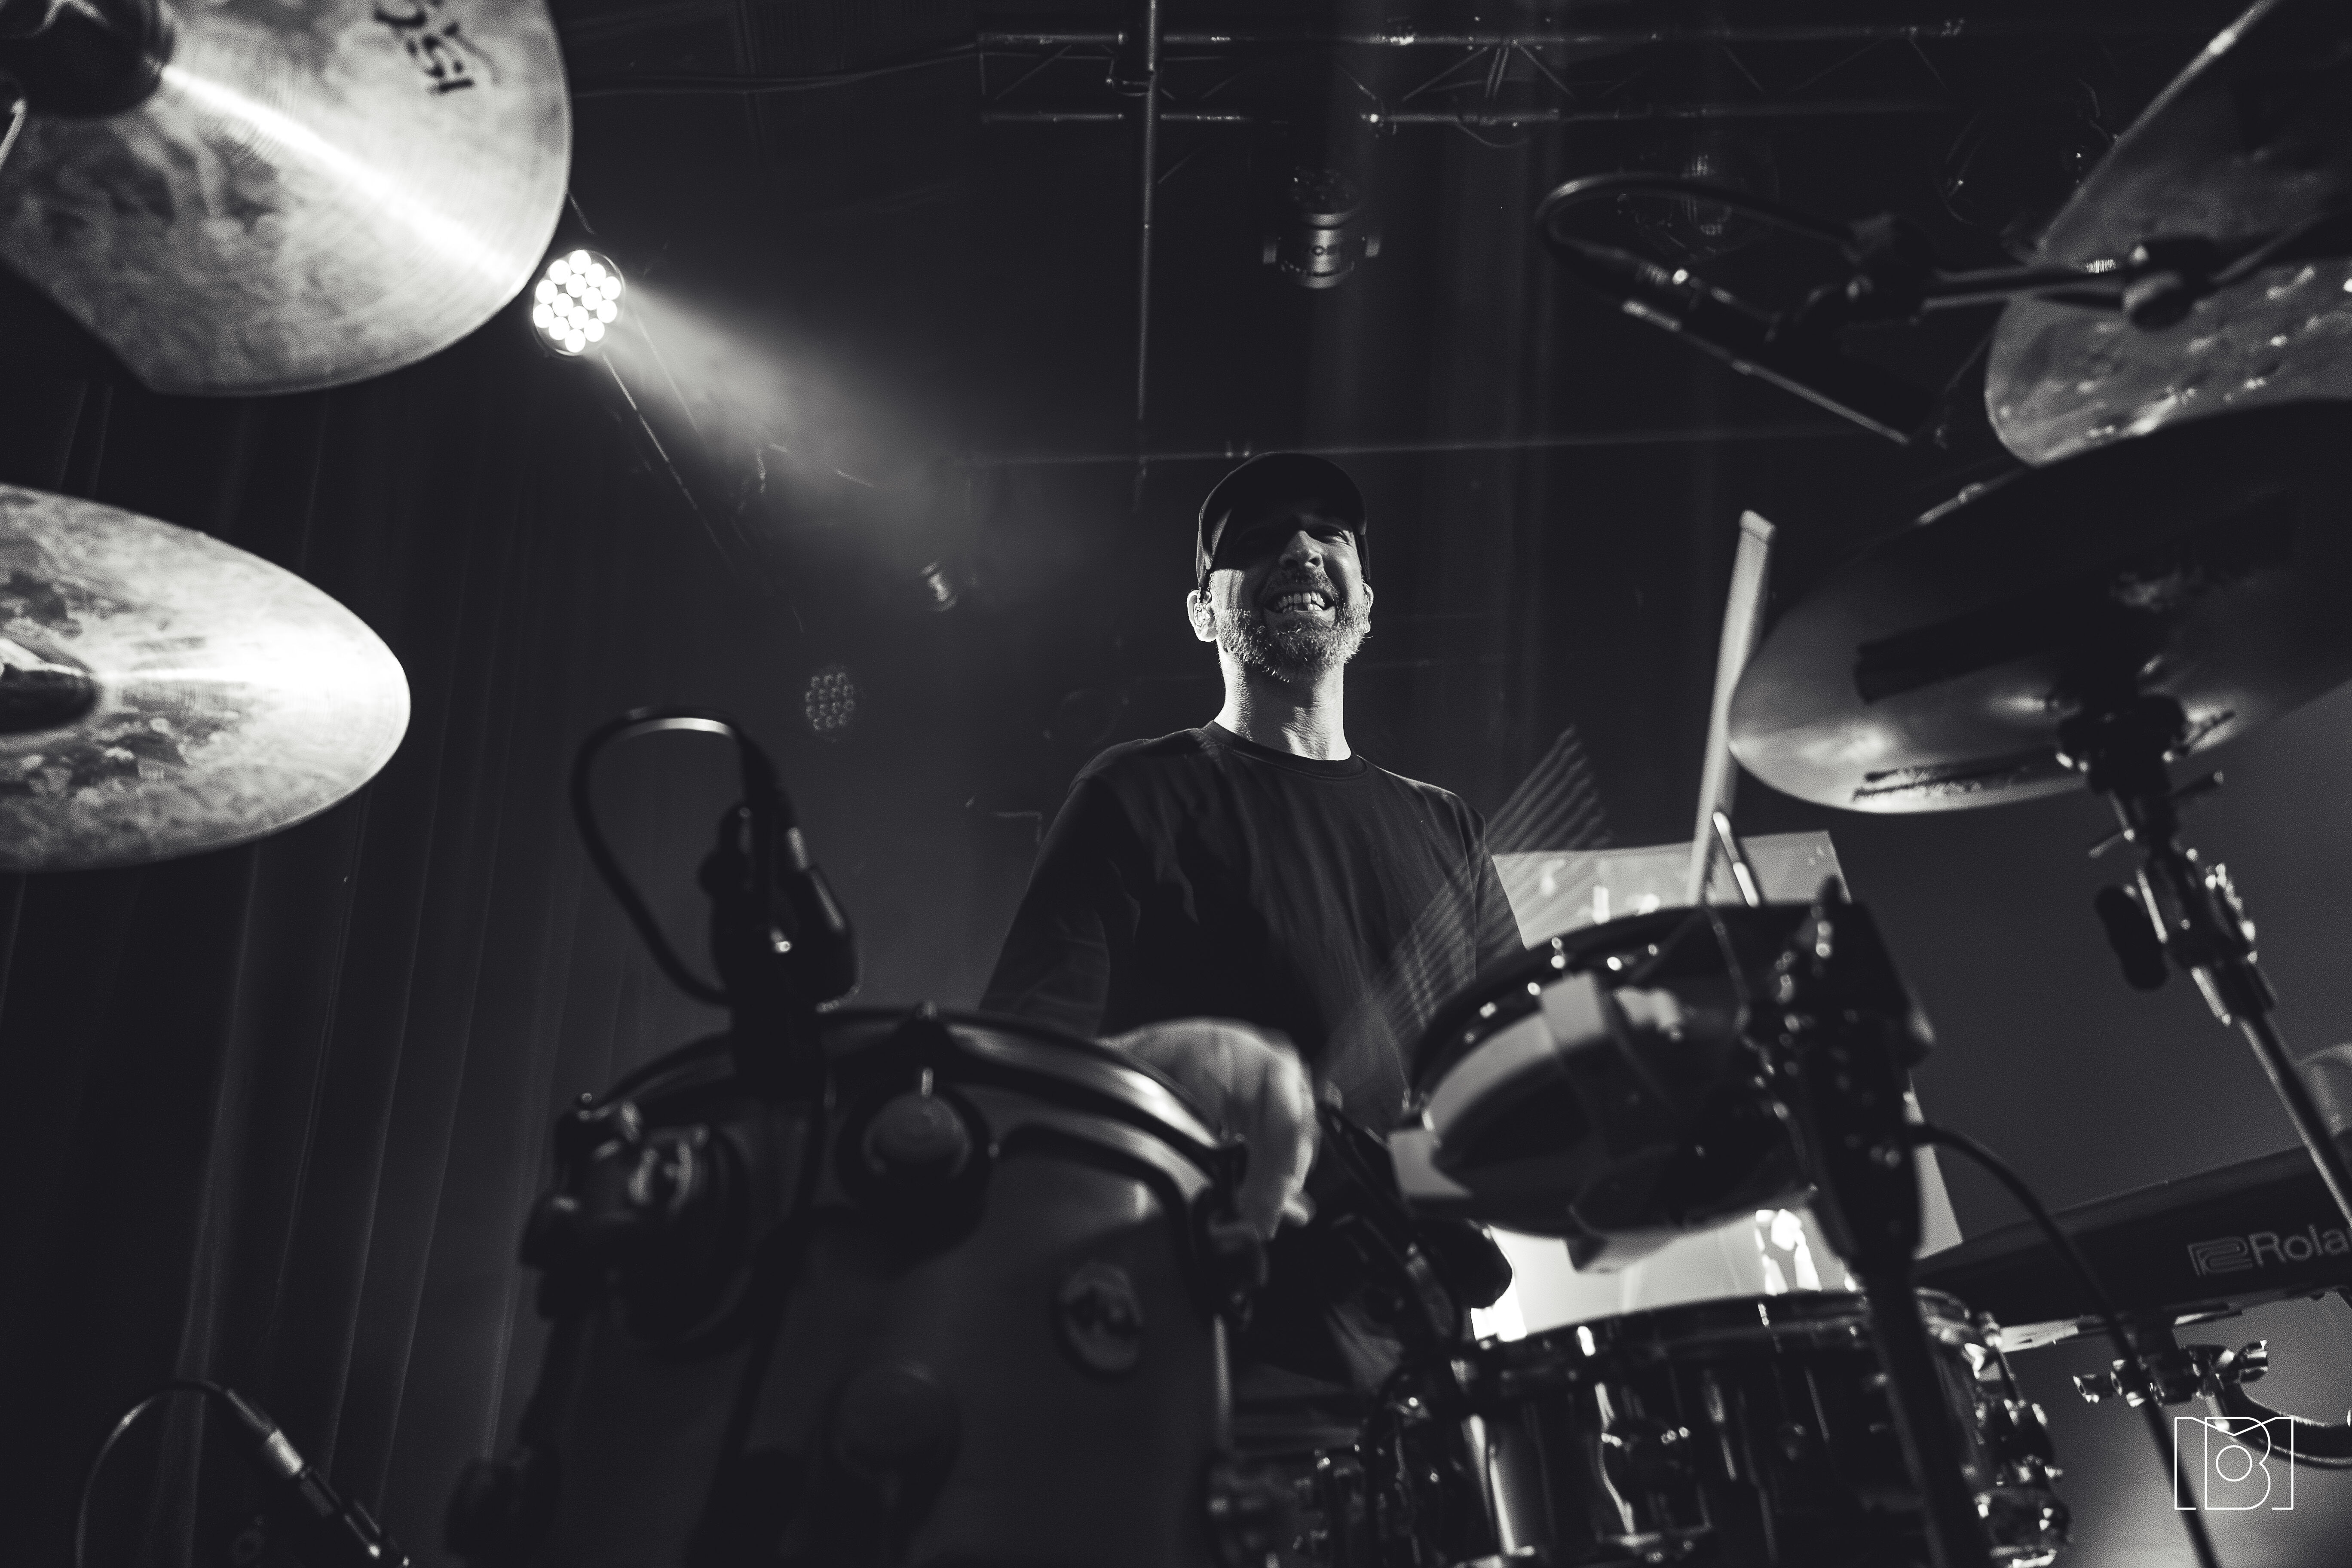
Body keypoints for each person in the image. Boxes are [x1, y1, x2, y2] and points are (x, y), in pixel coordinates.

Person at [981, 453, 1524, 1384]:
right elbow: (1022, 1075)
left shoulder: (1449, 827)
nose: (1302, 550)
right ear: (1203, 614)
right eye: (1261, 540)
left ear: (1366, 600)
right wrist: (1185, 1071)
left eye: (1330, 536)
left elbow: (1510, 1082)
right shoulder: (1135, 795)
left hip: (1427, 1376)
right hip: (1218, 1368)